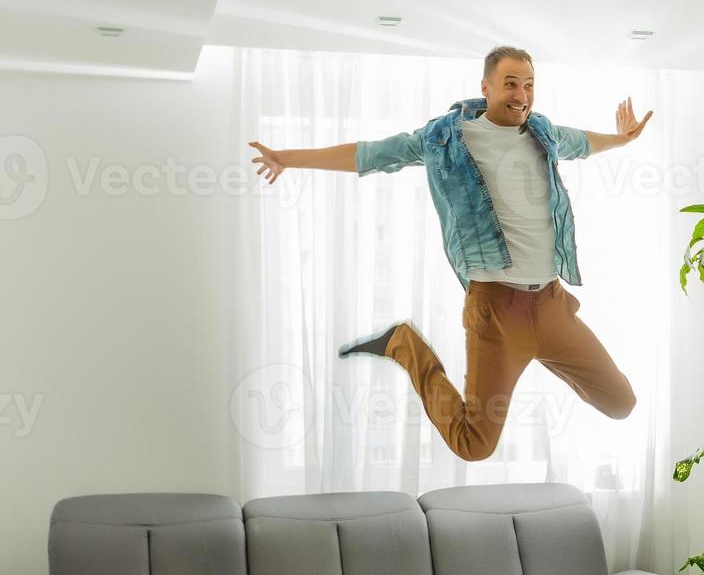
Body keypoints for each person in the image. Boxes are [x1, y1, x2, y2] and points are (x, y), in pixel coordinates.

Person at [248, 46, 652, 461]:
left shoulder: (542, 132)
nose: (522, 95)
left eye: (529, 85)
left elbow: (583, 143)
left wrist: (622, 138)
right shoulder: (445, 138)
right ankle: (402, 344)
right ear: (486, 87)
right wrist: (288, 159)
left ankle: (534, 352)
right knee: (473, 445)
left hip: (551, 305)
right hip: (495, 311)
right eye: (511, 84)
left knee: (621, 403)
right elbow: (369, 154)